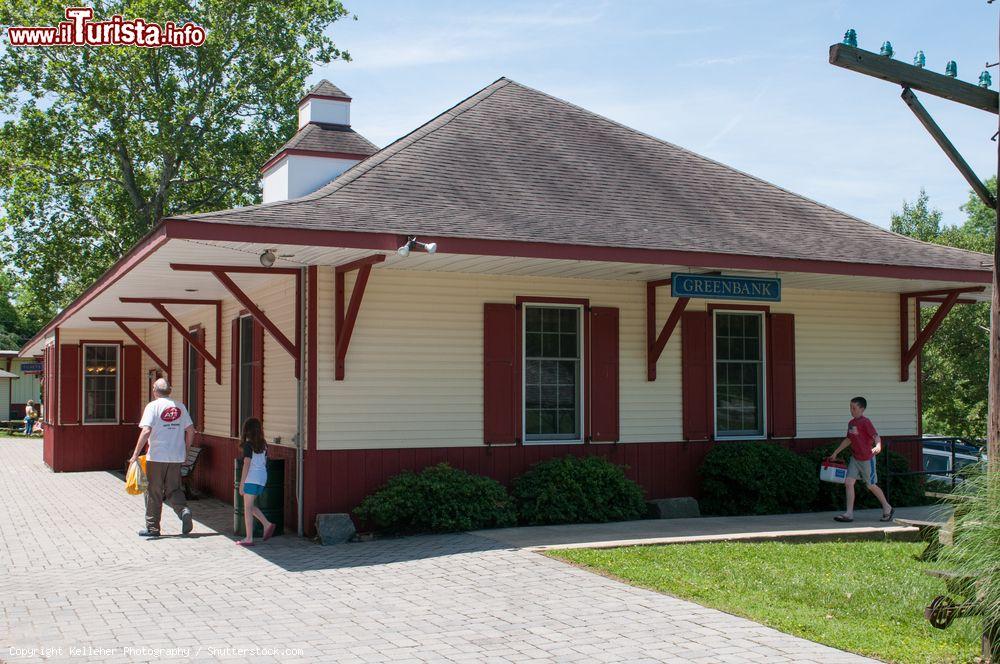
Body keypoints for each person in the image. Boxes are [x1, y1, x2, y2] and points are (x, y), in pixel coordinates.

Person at [128, 378, 194, 538]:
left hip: (157, 456)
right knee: (174, 489)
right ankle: (184, 511)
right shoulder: (180, 406)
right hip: (176, 457)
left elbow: (146, 431)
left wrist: (135, 454)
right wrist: (185, 450)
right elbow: (191, 430)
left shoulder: (152, 406)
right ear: (169, 390)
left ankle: (153, 528)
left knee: (153, 491)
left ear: (154, 390)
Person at [827, 396, 894, 523]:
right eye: (850, 408)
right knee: (848, 482)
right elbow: (849, 439)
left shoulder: (865, 422)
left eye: (854, 408)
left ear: (862, 409)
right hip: (855, 458)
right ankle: (849, 513)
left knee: (871, 485)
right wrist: (835, 452)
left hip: (867, 459)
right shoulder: (851, 423)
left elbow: (876, 436)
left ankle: (887, 507)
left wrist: (878, 446)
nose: (851, 410)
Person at [236, 417, 276, 546]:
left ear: (246, 430)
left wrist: (241, 483)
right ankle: (267, 524)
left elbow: (247, 464)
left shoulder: (248, 445)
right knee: (250, 506)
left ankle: (249, 538)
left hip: (251, 478)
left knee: (247, 508)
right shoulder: (264, 444)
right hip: (262, 478)